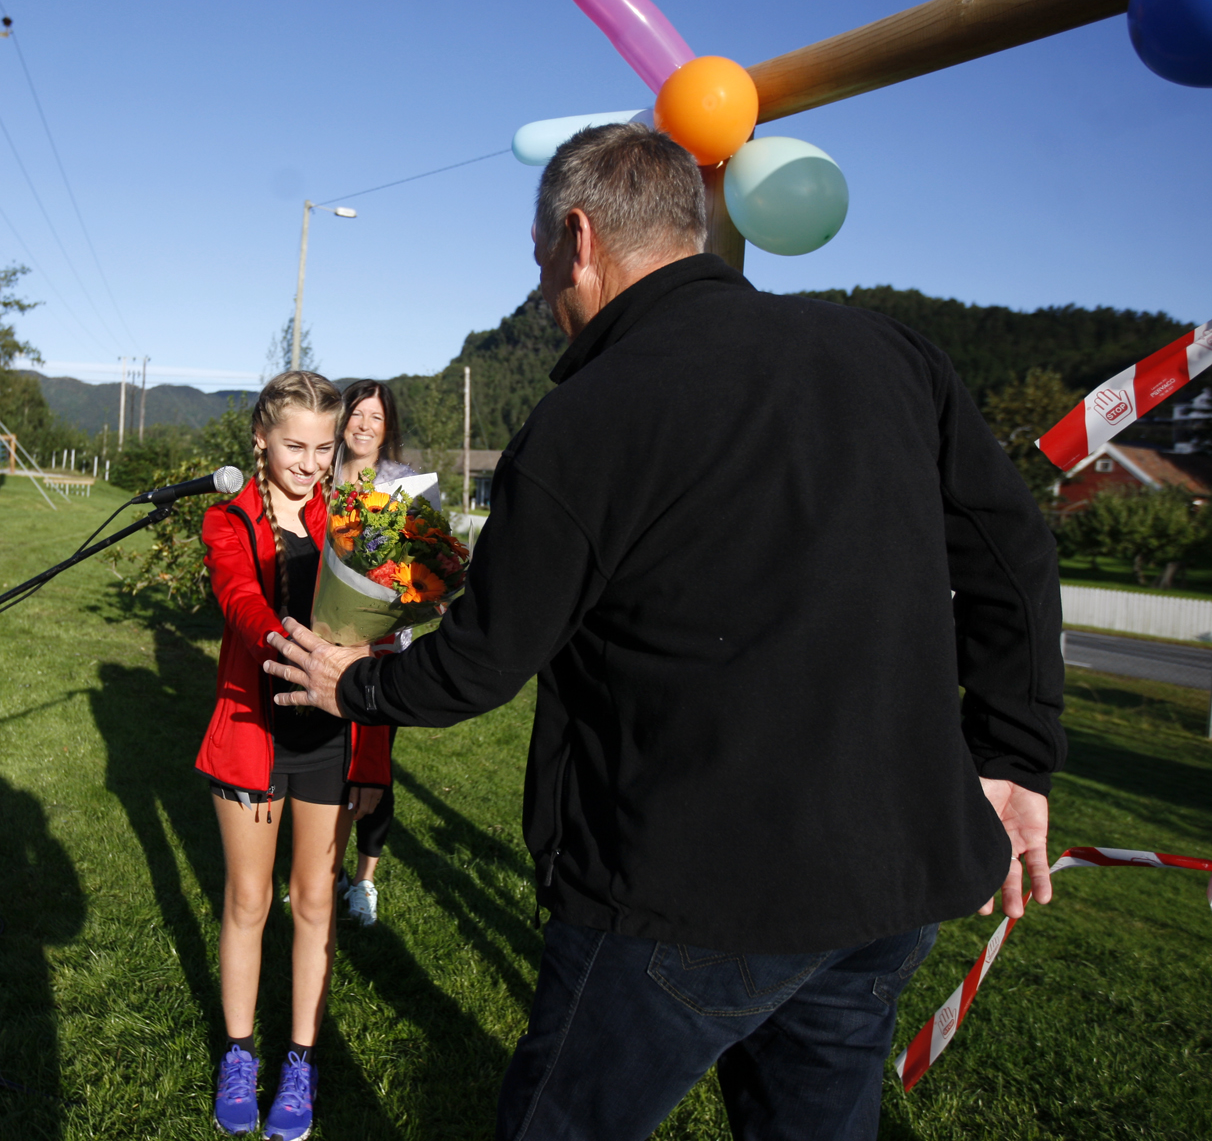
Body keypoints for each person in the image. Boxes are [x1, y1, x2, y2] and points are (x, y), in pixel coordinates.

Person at [262, 123, 1065, 1141]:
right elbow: (1013, 561)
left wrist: (354, 686)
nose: (547, 292)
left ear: (579, 237)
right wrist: (1015, 754)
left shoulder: (586, 418)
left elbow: (488, 657)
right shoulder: (888, 354)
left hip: (681, 892)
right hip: (887, 883)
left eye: (541, 259)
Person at [197, 369, 394, 1140]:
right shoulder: (227, 519)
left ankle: (301, 1064)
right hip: (252, 731)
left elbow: (375, 643)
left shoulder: (352, 517)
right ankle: (241, 1054)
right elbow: (240, 600)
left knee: (315, 902)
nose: (311, 462)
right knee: (249, 902)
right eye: (294, 447)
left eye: (322, 446)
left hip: (328, 740)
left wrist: (372, 762)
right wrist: (292, 647)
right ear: (260, 438)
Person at [328, 379, 442, 927]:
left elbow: (424, 565)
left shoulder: (404, 485)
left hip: (381, 652)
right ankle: (322, 872)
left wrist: (426, 590)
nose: (365, 425)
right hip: (322, 644)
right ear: (342, 419)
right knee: (327, 767)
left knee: (372, 769)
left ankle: (363, 881)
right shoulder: (323, 475)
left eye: (376, 417)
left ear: (387, 426)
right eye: (357, 413)